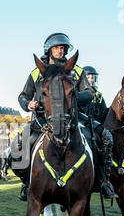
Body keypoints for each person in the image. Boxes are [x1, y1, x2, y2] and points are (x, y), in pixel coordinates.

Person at [14, 33, 116, 201]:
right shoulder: (36, 73)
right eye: (57, 48)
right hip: (42, 119)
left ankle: (104, 181)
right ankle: (26, 182)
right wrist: (28, 104)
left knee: (105, 136)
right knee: (21, 142)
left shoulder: (76, 70)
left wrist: (71, 95)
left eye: (63, 48)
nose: (60, 51)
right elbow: (23, 95)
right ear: (49, 50)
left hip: (74, 117)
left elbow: (90, 93)